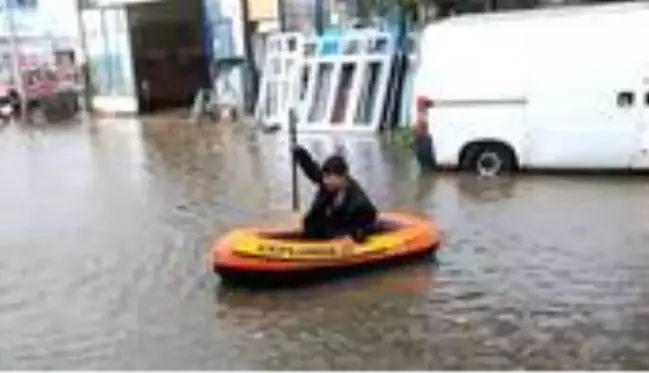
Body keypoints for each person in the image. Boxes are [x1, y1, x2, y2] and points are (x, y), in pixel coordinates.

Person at [293, 145, 378, 242]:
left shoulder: (359, 203)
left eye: (329, 177)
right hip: (320, 232)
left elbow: (369, 223)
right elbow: (312, 170)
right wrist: (299, 153)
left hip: (341, 234)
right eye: (324, 177)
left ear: (343, 177)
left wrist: (354, 236)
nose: (325, 181)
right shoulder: (328, 184)